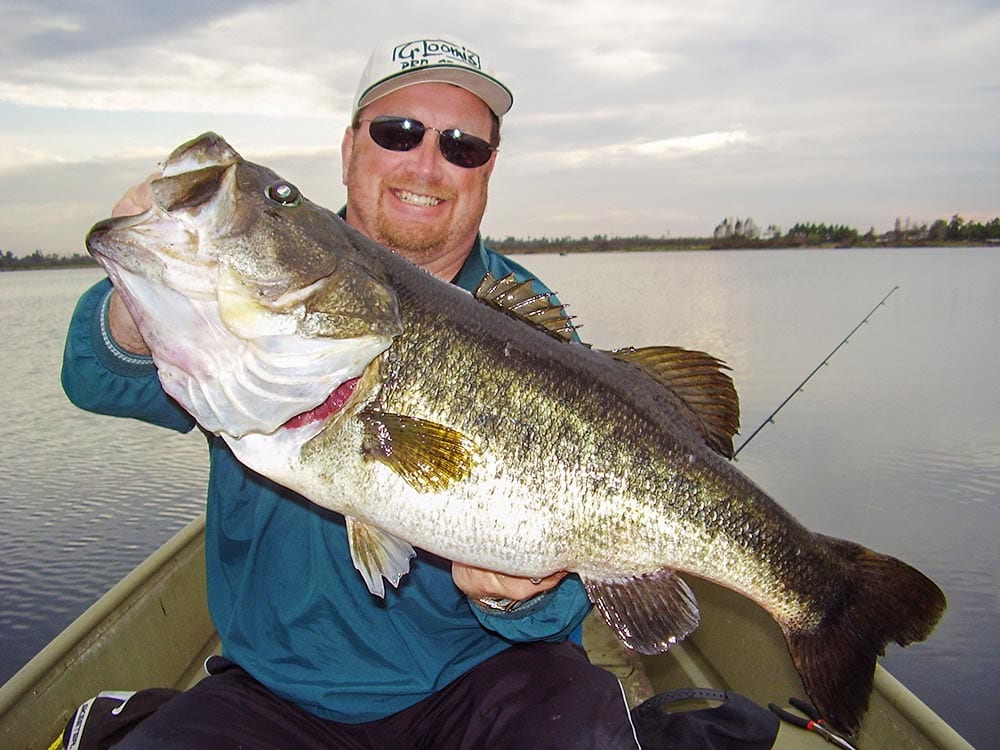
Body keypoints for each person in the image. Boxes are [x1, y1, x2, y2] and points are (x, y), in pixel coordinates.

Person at [61, 33, 640, 749]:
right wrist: (144, 284)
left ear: (488, 172)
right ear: (349, 150)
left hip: (482, 676)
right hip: (275, 691)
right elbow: (95, 377)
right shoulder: (263, 296)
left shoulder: (530, 326)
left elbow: (562, 612)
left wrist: (518, 600)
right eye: (399, 133)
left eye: (464, 146)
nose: (428, 163)